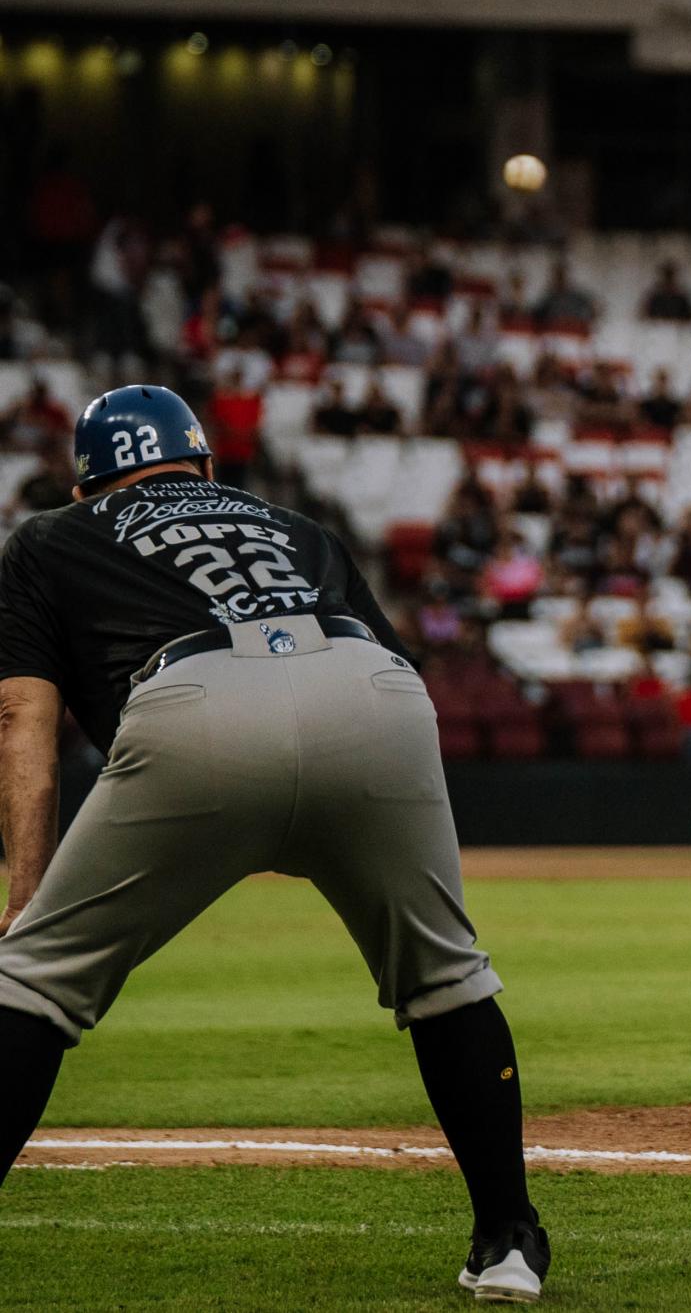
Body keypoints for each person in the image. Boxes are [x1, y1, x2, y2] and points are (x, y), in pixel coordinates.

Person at [0, 388, 549, 1301]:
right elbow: (394, 665)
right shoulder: (294, 523)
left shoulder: (52, 536)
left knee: (33, 984)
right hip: (370, 694)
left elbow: (22, 717)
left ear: (84, 481)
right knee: (445, 976)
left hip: (195, 704)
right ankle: (509, 1243)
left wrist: (27, 899)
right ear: (205, 466)